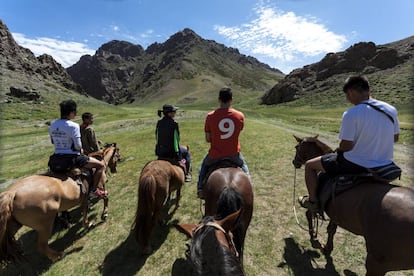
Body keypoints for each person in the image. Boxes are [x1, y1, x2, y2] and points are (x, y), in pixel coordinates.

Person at [299, 75, 400, 211]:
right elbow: (395, 138)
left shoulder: (351, 113)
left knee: (310, 166)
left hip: (356, 164)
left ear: (351, 92)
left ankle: (312, 202)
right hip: (384, 163)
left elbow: (346, 146)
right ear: (368, 89)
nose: (348, 99)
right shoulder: (391, 110)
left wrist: (338, 150)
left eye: (347, 95)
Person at [197, 87, 249, 199]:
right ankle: (250, 186)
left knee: (203, 167)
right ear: (231, 100)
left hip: (215, 155)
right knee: (244, 167)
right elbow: (238, 132)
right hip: (233, 155)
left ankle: (200, 188)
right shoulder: (239, 116)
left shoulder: (210, 116)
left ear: (219, 100)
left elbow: (207, 139)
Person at [49, 100, 108, 198]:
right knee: (100, 166)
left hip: (56, 157)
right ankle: (93, 190)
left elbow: (52, 141)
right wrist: (80, 150)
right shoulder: (74, 126)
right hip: (72, 158)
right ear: (71, 112)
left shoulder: (53, 124)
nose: (75, 114)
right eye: (75, 112)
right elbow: (78, 146)